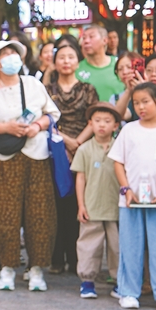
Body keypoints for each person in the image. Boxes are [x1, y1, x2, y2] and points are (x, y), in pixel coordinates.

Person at [0, 40, 60, 292]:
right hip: (1, 159)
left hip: (36, 155)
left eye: (15, 54)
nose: (12, 58)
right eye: (6, 55)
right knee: (3, 214)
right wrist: (6, 127)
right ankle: (7, 267)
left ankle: (36, 269)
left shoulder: (32, 84)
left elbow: (52, 113)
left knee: (39, 213)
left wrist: (36, 126)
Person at [109, 82, 156, 310]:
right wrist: (126, 189)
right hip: (131, 199)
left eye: (145, 101)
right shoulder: (129, 130)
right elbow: (118, 162)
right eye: (136, 103)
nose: (140, 107)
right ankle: (128, 291)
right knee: (130, 246)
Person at [45, 41, 98, 275]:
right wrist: (66, 142)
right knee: (56, 204)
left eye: (71, 57)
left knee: (78, 203)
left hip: (83, 149)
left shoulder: (88, 89)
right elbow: (45, 119)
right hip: (55, 150)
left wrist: (77, 143)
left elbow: (95, 119)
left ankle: (77, 259)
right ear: (55, 62)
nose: (66, 61)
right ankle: (56, 257)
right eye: (62, 57)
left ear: (78, 62)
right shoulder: (47, 90)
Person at [71, 102, 121, 299]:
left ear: (115, 125)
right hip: (91, 206)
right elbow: (80, 178)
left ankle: (119, 281)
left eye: (107, 121)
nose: (102, 125)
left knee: (117, 247)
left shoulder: (120, 148)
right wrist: (81, 205)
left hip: (116, 206)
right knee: (89, 245)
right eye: (97, 121)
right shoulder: (84, 149)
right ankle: (87, 281)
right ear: (90, 124)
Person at [77, 25, 124, 103]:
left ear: (105, 40)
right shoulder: (77, 68)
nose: (86, 41)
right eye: (84, 38)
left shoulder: (119, 65)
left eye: (91, 37)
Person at [111, 51, 146, 121]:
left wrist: (145, 89)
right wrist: (128, 90)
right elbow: (119, 116)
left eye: (129, 67)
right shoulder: (115, 98)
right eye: (120, 69)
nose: (125, 72)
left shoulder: (153, 90)